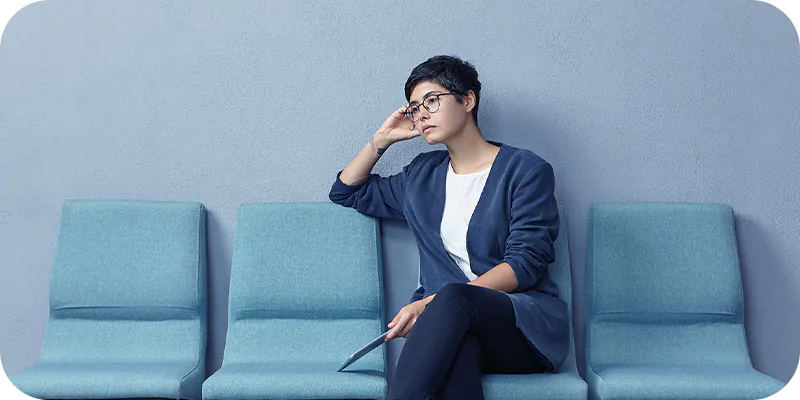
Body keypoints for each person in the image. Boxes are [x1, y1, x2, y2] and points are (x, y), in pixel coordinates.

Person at [328, 54, 569, 400]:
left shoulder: (525, 171)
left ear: (467, 100)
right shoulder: (422, 176)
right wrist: (381, 139)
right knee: (459, 352)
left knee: (454, 298)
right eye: (414, 108)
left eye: (431, 101)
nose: (421, 113)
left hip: (521, 328)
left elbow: (524, 265)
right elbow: (347, 191)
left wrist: (429, 305)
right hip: (456, 328)